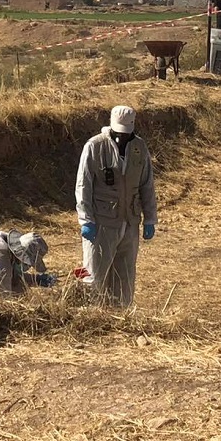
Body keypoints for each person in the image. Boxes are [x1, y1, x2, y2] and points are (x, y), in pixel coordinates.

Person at [76, 105, 158, 307]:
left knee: (125, 276)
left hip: (130, 222)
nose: (122, 137)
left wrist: (150, 219)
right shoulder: (95, 146)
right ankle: (90, 315)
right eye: (118, 132)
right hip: (101, 223)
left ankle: (119, 316)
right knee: (93, 275)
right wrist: (86, 219)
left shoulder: (139, 147)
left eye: (125, 133)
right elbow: (83, 185)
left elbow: (147, 185)